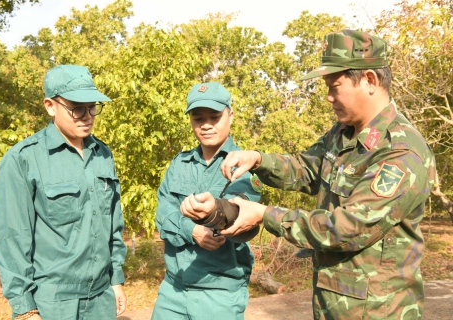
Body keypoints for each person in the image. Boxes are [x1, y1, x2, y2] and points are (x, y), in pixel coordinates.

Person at [181, 30, 437, 319]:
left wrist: (265, 215)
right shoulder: (343, 133)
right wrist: (257, 160)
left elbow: (348, 227)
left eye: (335, 86)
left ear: (369, 80)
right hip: (333, 302)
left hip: (377, 310)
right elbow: (306, 168)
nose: (329, 97)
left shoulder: (401, 151)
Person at [0, 65, 127, 320]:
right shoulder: (23, 159)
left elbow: (113, 225)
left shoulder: (102, 154)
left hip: (100, 299)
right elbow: (11, 237)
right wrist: (25, 309)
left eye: (92, 107)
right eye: (76, 108)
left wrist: (115, 280)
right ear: (50, 106)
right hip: (52, 303)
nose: (87, 116)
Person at [152, 82, 262, 320]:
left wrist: (214, 213)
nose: (206, 125)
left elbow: (239, 216)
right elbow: (162, 214)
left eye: (215, 116)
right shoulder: (179, 164)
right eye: (198, 118)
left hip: (219, 294)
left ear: (230, 116)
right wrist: (191, 230)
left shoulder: (242, 166)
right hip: (173, 290)